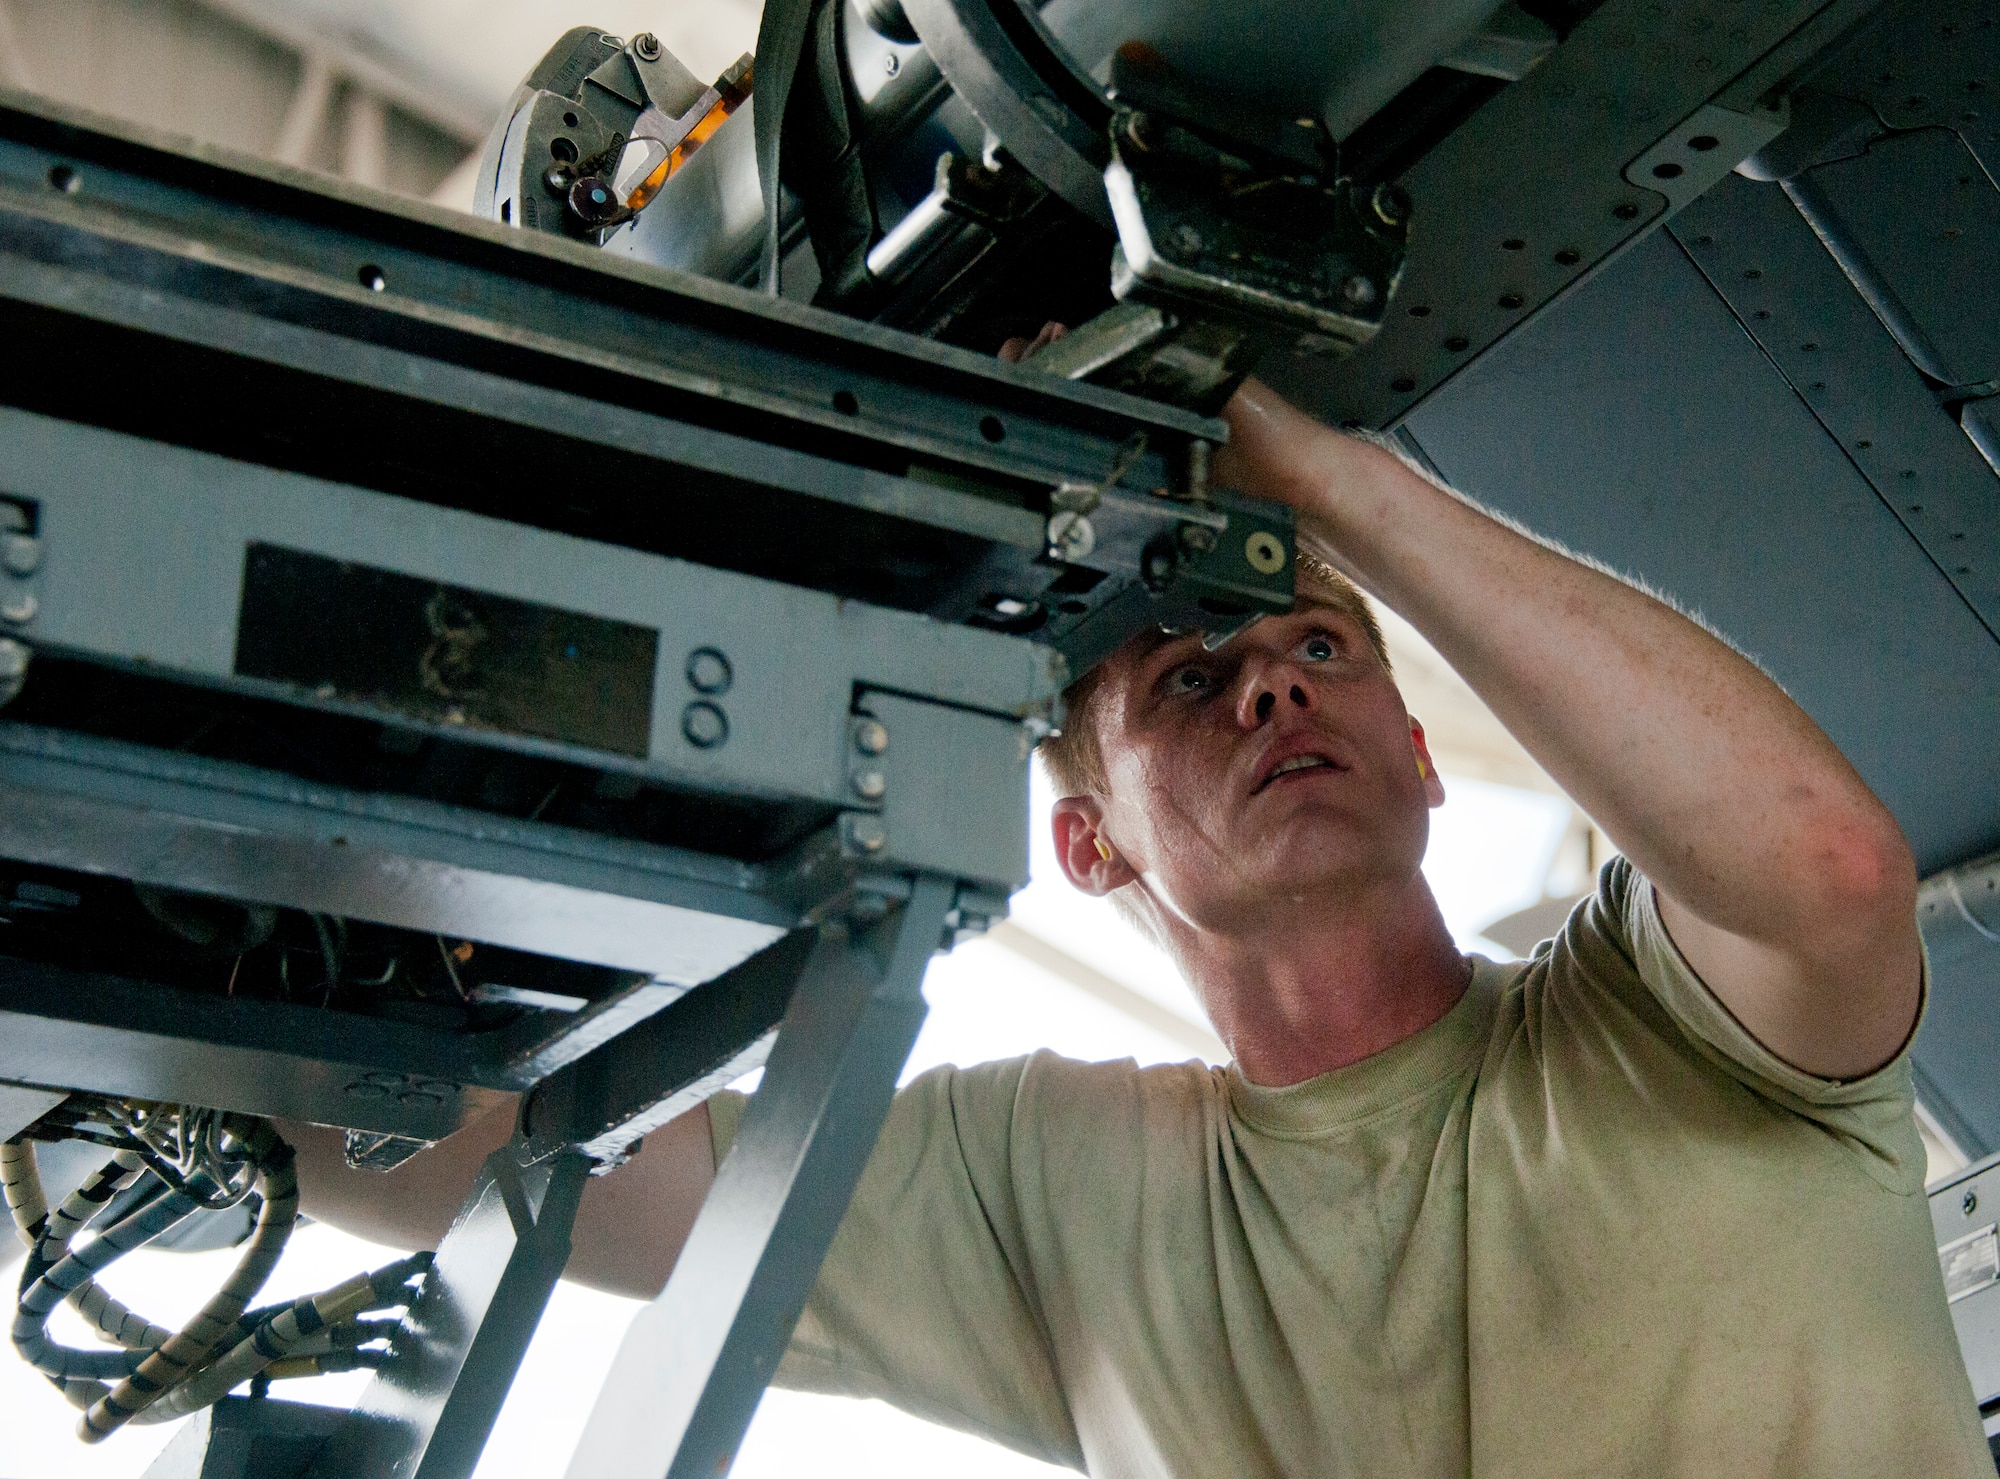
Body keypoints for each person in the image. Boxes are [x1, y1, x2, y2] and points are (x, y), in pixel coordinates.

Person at [288, 366, 1990, 1476]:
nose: (1269, 688)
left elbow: (1827, 871)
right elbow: (546, 1178)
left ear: (1421, 754)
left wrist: (1333, 494)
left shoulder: (1658, 1011)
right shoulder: (1054, 1178)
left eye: (1319, 653)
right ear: (1089, 847)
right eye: (1193, 676)